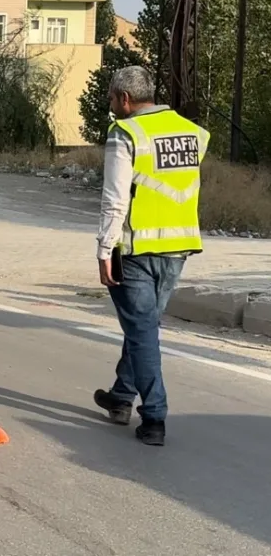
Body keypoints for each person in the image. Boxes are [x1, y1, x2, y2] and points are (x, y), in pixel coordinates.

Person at [93, 65, 210, 447]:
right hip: (179, 245)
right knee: (142, 327)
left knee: (142, 331)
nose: (111, 105)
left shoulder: (124, 134)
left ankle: (155, 415)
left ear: (125, 99)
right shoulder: (193, 132)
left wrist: (104, 250)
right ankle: (121, 396)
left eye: (111, 99)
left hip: (138, 248)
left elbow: (114, 200)